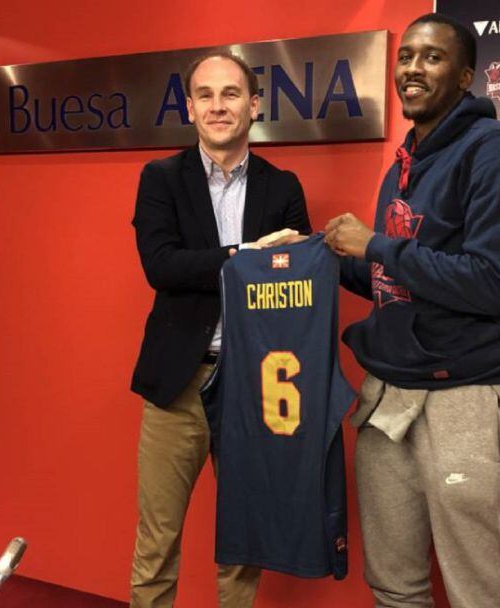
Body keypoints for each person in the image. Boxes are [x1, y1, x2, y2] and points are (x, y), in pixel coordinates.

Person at [323, 13, 500, 608]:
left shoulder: (497, 152)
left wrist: (375, 244)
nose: (412, 69)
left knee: (479, 591)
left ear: (466, 75)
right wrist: (314, 255)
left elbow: (491, 283)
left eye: (433, 57)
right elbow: (395, 277)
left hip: (464, 395)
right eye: (406, 57)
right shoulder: (406, 158)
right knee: (394, 586)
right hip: (390, 391)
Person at [129, 50, 311, 608]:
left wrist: (272, 261)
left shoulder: (282, 187)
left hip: (254, 386)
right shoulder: (160, 178)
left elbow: (297, 282)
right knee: (157, 539)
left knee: (243, 542)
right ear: (190, 107)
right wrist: (245, 256)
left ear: (254, 104)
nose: (217, 106)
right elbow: (161, 265)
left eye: (230, 94)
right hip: (177, 385)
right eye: (205, 95)